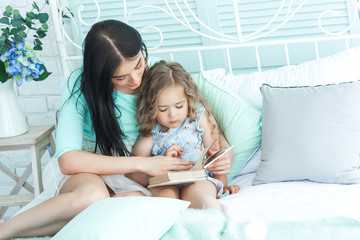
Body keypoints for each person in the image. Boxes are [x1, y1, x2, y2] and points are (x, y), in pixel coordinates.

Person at [0, 20, 194, 239]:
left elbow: (193, 103)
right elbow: (68, 160)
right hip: (85, 171)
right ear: (100, 74)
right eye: (120, 77)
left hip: (130, 177)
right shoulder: (80, 84)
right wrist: (144, 163)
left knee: (159, 204)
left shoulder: (158, 79)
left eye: (139, 64)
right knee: (93, 195)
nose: (136, 80)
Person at [126, 61, 240, 212]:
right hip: (166, 183)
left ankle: (218, 225)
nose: (172, 115)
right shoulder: (152, 133)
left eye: (179, 106)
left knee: (201, 195)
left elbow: (216, 156)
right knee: (166, 200)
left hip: (199, 180)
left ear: (189, 99)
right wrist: (164, 162)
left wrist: (223, 184)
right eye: (163, 109)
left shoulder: (198, 118)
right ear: (151, 107)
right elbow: (134, 175)